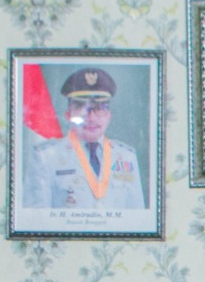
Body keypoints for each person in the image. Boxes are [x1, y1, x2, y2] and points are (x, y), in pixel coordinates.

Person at [28, 68, 146, 209]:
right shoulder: (46, 158)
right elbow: (37, 219)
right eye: (81, 108)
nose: (91, 118)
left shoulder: (127, 157)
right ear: (68, 115)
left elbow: (137, 217)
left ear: (109, 116)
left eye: (100, 108)